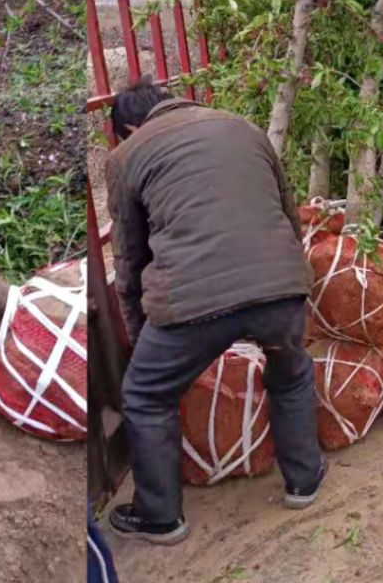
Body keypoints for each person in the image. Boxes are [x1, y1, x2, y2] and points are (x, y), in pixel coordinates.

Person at [104, 76, 325, 544]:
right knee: (291, 373)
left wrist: (142, 334)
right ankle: (304, 481)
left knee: (146, 395)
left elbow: (129, 259)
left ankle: (160, 517)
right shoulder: (243, 127)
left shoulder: (126, 156)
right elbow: (287, 214)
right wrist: (287, 282)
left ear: (126, 126)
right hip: (280, 288)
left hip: (190, 303)